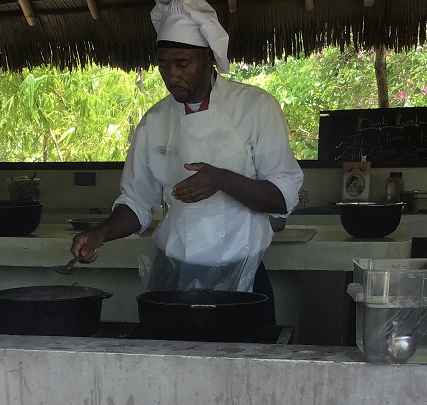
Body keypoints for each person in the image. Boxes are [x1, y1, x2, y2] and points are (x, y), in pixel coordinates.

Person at [70, 0, 302, 321]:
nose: (172, 76)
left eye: (182, 63)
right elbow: (137, 203)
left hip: (243, 280)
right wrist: (101, 233)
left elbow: (283, 198)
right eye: (163, 65)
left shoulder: (255, 108)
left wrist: (223, 180)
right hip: (173, 276)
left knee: (243, 369)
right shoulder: (155, 122)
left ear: (208, 57)